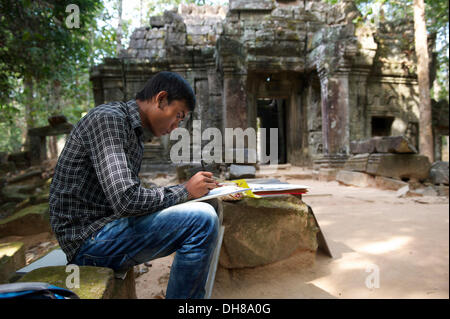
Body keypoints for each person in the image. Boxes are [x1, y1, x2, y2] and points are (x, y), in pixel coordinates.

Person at [49, 71, 220, 299]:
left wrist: (194, 192)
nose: (176, 126)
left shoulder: (133, 131)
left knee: (211, 206)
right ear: (160, 99)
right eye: (178, 116)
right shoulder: (109, 120)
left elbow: (129, 195)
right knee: (202, 220)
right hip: (87, 241)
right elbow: (126, 200)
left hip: (108, 226)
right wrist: (184, 190)